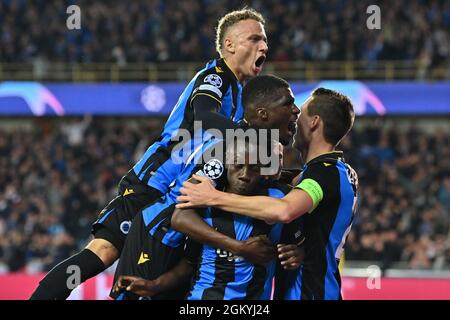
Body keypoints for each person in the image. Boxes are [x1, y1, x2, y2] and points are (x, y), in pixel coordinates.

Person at [30, 7, 268, 300]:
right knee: (102, 253)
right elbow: (205, 116)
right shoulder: (215, 76)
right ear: (229, 45)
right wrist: (255, 137)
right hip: (155, 185)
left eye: (265, 40)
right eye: (254, 38)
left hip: (177, 197)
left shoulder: (241, 96)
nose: (264, 46)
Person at [110, 75, 301, 300]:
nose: (296, 111)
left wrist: (298, 251)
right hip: (158, 235)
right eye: (288, 104)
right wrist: (239, 247)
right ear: (263, 114)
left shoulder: (265, 163)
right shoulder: (229, 148)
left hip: (191, 253)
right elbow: (183, 209)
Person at [177, 88, 358, 300]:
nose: (294, 116)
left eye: (301, 113)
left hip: (309, 293)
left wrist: (211, 197)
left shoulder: (324, 173)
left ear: (314, 122)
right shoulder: (339, 172)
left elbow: (284, 210)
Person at [113, 139, 303, 300]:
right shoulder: (204, 202)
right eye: (238, 166)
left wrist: (297, 253)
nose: (245, 175)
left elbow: (300, 243)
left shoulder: (279, 197)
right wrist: (154, 285)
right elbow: (189, 263)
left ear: (263, 171)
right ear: (227, 165)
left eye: (253, 168)